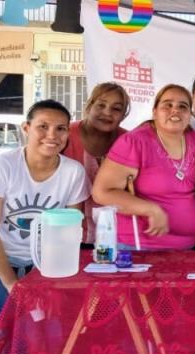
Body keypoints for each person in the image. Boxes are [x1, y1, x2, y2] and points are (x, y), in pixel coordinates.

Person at [92, 84, 195, 250]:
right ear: (154, 112)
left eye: (183, 106)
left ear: (190, 114)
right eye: (167, 105)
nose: (175, 110)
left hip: (188, 248)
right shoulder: (134, 142)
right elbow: (102, 192)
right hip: (139, 248)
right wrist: (151, 210)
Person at [0, 100, 90, 295]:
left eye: (61, 129)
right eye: (43, 127)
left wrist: (54, 272)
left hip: (47, 264)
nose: (52, 135)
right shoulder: (4, 165)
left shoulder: (74, 172)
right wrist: (10, 283)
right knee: (4, 321)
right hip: (3, 261)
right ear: (26, 128)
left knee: (48, 323)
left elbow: (70, 232)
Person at [63, 82, 130, 245]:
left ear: (123, 116)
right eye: (101, 105)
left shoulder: (129, 141)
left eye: (116, 109)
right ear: (89, 107)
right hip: (68, 234)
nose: (107, 113)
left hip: (117, 237)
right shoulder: (65, 135)